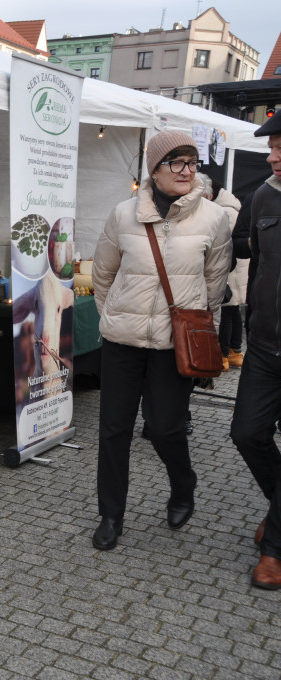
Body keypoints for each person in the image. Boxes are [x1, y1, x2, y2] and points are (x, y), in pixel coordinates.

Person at [91, 130, 231, 551]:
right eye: (178, 163)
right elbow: (102, 275)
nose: (188, 171)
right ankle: (111, 514)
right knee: (114, 430)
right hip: (122, 342)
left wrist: (205, 343)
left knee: (166, 428)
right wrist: (115, 317)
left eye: (193, 163)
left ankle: (183, 485)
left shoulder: (213, 218)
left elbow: (213, 289)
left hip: (175, 346)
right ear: (154, 170)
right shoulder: (123, 214)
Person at [229, 114, 281, 589]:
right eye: (272, 147)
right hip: (265, 345)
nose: (272, 156)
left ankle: (275, 549)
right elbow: (258, 264)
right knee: (246, 434)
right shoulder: (263, 197)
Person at [197, 172, 244, 370]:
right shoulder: (226, 207)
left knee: (226, 310)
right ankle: (234, 352)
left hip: (229, 270)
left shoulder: (226, 211)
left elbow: (219, 240)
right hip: (231, 268)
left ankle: (223, 355)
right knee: (232, 310)